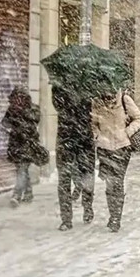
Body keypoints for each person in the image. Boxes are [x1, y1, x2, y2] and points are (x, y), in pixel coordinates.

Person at [90, 88, 140, 232]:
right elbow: (93, 123)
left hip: (122, 148)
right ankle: (113, 213)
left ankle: (115, 218)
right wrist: (97, 135)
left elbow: (138, 118)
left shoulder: (124, 99)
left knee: (117, 182)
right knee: (109, 183)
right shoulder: (97, 102)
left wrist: (127, 132)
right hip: (105, 148)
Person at [53, 85, 95, 230]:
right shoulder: (59, 87)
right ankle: (66, 218)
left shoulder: (88, 86)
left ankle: (87, 207)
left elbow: (92, 109)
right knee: (64, 180)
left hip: (84, 141)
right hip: (66, 141)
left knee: (87, 176)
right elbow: (57, 105)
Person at [2, 87, 41, 208]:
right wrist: (12, 118)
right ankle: (28, 193)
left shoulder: (33, 108)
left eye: (20, 97)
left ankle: (16, 195)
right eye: (15, 98)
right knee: (21, 170)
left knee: (22, 169)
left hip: (28, 144)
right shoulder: (12, 109)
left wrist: (21, 115)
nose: (17, 100)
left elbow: (35, 120)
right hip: (16, 145)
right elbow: (4, 123)